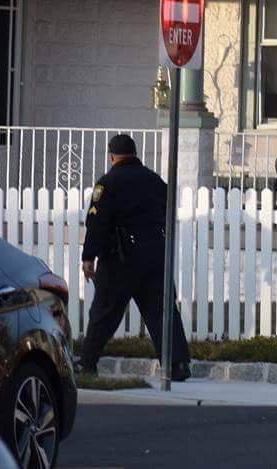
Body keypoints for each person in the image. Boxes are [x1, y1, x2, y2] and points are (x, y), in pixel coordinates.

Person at [76, 133, 191, 380]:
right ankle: (178, 365)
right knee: (163, 311)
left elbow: (97, 222)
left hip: (121, 258)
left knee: (105, 312)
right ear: (134, 154)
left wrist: (89, 257)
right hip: (155, 255)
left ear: (112, 156)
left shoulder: (108, 183)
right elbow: (167, 209)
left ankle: (87, 364)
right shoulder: (154, 180)